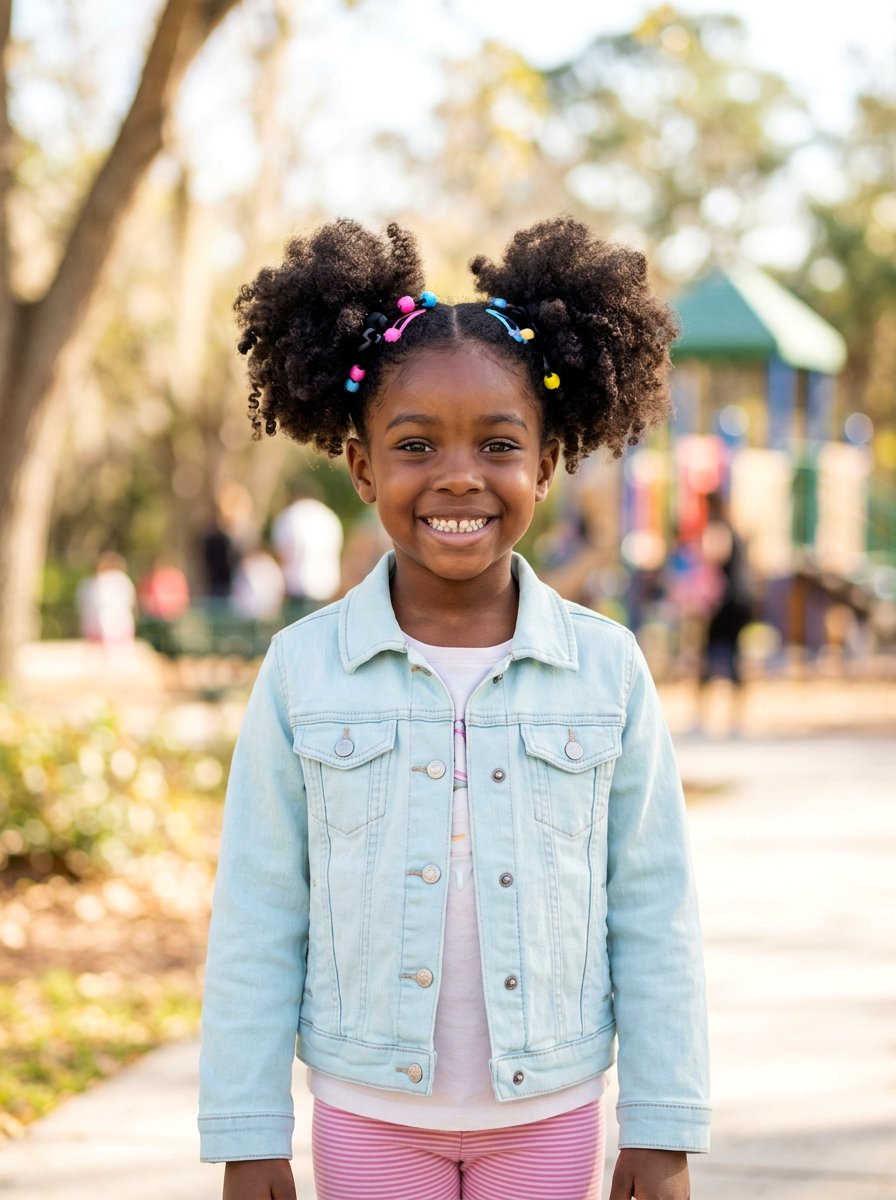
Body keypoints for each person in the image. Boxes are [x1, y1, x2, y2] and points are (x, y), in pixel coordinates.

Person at [198, 218, 710, 1200]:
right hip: (368, 1115)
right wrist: (246, 1130)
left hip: (548, 1114)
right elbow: (258, 911)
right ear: (360, 468)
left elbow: (654, 908)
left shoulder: (604, 671)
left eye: (499, 444)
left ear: (548, 464)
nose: (458, 474)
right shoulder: (303, 673)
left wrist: (661, 1123)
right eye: (415, 443)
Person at [694, 491, 753, 733]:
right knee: (735, 656)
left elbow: (714, 557)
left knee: (708, 655)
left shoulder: (719, 528)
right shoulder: (736, 531)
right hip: (742, 601)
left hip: (726, 603)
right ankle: (737, 718)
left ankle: (701, 716)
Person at [271, 486, 344, 620]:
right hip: (328, 596)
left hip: (297, 596)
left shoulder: (291, 515)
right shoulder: (328, 515)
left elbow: (284, 555)